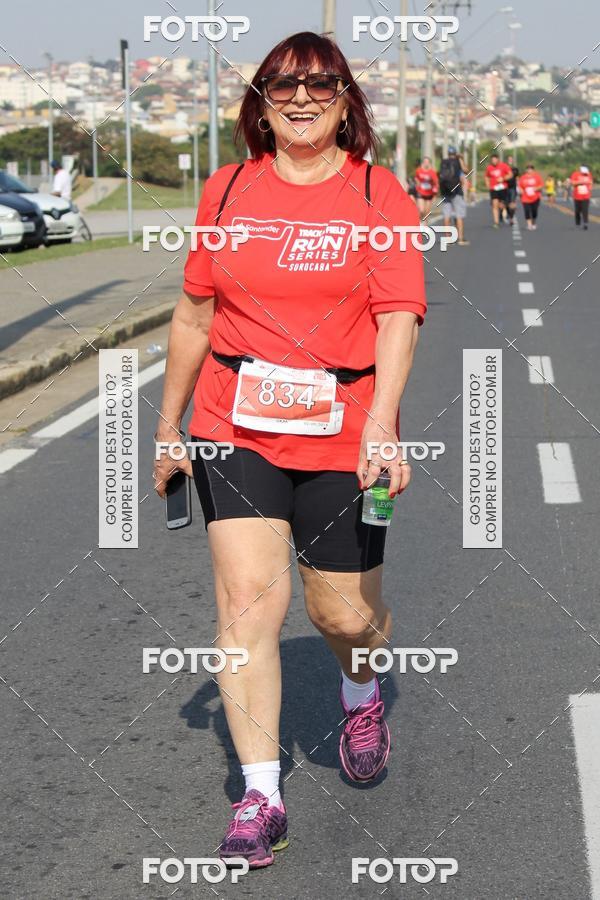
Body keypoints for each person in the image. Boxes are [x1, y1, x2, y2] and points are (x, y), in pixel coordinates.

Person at [153, 31, 426, 870]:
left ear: (347, 102)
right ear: (259, 103)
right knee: (246, 605)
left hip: (342, 430)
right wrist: (170, 429)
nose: (300, 98)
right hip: (234, 423)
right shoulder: (228, 190)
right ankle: (261, 796)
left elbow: (396, 318)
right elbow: (196, 315)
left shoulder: (381, 195)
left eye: (319, 84)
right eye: (282, 84)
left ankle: (358, 686)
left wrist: (382, 422)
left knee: (340, 614)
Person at [438, 146, 469, 245]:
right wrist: (461, 159)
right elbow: (466, 171)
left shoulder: (443, 162)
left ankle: (448, 239)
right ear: (455, 153)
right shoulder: (457, 161)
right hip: (457, 192)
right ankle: (460, 239)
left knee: (446, 216)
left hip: (446, 192)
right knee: (459, 215)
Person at [484, 154, 512, 228]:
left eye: (495, 159)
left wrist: (503, 178)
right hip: (494, 189)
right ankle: (496, 222)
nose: (494, 161)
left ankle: (504, 212)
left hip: (503, 188)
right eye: (492, 160)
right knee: (494, 205)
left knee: (502, 205)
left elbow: (510, 175)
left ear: (498, 159)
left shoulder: (504, 166)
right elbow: (486, 176)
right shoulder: (489, 167)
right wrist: (487, 184)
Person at [518, 163, 544, 230]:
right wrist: (521, 190)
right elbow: (519, 186)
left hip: (535, 197)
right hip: (525, 197)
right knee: (527, 210)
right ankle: (529, 224)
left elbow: (541, 186)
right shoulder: (523, 177)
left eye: (531, 169)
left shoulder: (537, 177)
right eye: (528, 169)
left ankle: (533, 223)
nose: (529, 170)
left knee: (534, 211)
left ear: (533, 170)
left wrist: (535, 188)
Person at [569, 165, 593, 229]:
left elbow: (590, 182)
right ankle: (578, 222)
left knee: (585, 210)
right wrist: (581, 182)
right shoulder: (575, 174)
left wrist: (590, 188)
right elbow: (572, 183)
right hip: (577, 196)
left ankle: (585, 223)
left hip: (586, 196)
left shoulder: (588, 174)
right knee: (577, 211)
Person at [505, 154, 519, 225]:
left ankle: (511, 218)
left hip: (512, 188)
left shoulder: (515, 169)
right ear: (507, 160)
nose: (510, 160)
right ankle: (508, 215)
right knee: (506, 204)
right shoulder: (504, 168)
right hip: (505, 188)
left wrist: (518, 188)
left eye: (511, 159)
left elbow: (517, 178)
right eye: (509, 159)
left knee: (512, 204)